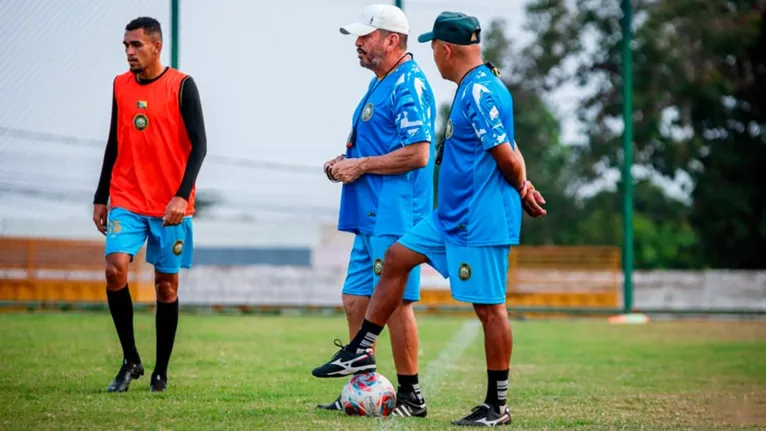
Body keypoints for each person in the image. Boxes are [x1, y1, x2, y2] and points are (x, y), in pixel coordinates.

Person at [311, 11, 547, 427]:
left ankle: (497, 405)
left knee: (490, 309)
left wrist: (522, 185)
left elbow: (506, 155)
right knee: (398, 259)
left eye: (433, 48)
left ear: (445, 50)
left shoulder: (479, 91)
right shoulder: (471, 86)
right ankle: (361, 348)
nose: (431, 56)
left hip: (478, 218)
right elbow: (510, 147)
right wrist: (523, 180)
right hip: (448, 216)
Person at [315, 3, 436, 418]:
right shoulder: (381, 81)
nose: (358, 44)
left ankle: (411, 396)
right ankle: (361, 387)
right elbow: (377, 144)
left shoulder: (409, 83)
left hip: (397, 213)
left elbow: (419, 153)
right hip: (369, 212)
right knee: (354, 298)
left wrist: (361, 165)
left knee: (397, 302)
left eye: (365, 37)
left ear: (391, 40)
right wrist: (345, 161)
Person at [92, 16, 207, 393]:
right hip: (126, 198)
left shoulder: (182, 86)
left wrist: (181, 194)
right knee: (114, 268)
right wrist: (100, 196)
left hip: (170, 206)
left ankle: (161, 371)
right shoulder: (120, 86)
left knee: (166, 287)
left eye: (136, 45)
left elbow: (199, 145)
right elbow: (114, 141)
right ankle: (130, 360)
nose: (129, 52)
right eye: (126, 46)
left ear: (157, 46)